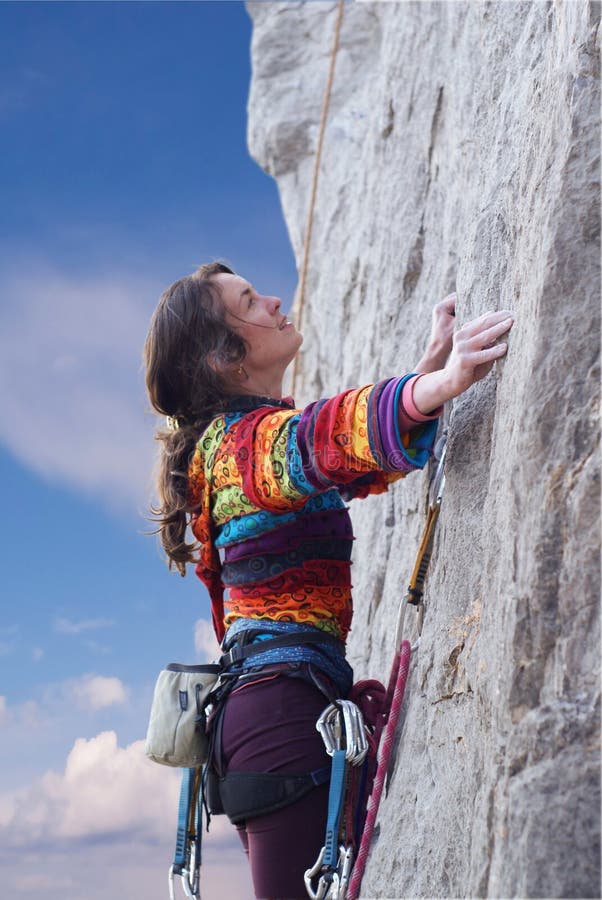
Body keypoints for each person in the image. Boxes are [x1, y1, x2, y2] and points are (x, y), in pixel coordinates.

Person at [144, 261, 514, 899]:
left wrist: (428, 375)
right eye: (249, 302)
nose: (273, 300)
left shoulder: (245, 449)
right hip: (280, 719)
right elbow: (323, 437)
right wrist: (440, 383)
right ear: (225, 358)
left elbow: (345, 461)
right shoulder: (240, 451)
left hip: (274, 716)